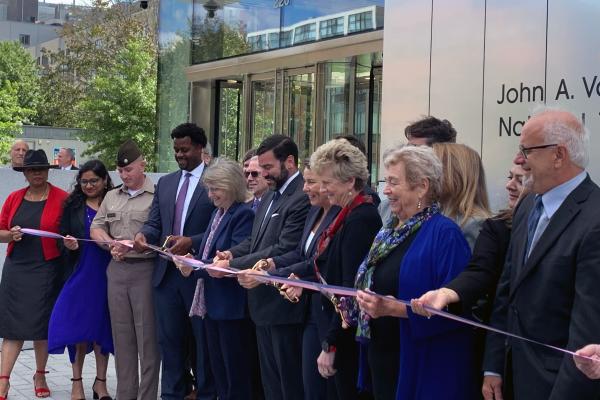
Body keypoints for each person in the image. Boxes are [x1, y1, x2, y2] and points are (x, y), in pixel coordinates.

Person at [481, 109, 600, 400]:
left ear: (559, 155)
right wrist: (494, 366)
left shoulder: (595, 219)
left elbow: (587, 328)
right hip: (513, 376)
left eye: (526, 151)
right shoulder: (527, 205)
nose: (518, 160)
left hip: (559, 385)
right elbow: (507, 292)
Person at [355, 145, 474, 400]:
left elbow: (458, 310)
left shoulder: (445, 234)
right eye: (386, 182)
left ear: (422, 186)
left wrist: (394, 309)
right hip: (383, 356)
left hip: (423, 364)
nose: (386, 190)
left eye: (394, 183)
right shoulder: (388, 232)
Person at [411, 163, 526, 398]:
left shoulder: (459, 227)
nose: (509, 185)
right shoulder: (498, 228)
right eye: (509, 176)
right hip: (500, 353)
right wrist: (446, 294)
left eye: (520, 180)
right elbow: (483, 278)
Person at [212, 135, 310, 400]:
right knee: (271, 384)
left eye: (267, 168)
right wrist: (231, 253)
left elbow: (284, 248)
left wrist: (231, 265)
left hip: (283, 306)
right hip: (261, 306)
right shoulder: (269, 196)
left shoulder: (300, 196)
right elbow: (255, 242)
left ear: (289, 162)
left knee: (288, 384)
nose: (263, 174)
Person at [132, 123, 215, 400]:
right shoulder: (166, 183)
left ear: (200, 149)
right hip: (166, 278)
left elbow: (223, 227)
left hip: (199, 278)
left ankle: (204, 393)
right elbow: (155, 222)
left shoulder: (215, 181)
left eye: (185, 149)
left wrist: (192, 241)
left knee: (202, 345)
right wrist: (143, 235)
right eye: (176, 149)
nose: (179, 154)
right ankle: (171, 394)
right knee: (170, 344)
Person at [304, 139, 382, 399]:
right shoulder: (347, 213)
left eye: (328, 183)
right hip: (337, 328)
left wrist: (332, 343)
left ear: (350, 181)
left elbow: (351, 289)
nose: (324, 190)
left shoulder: (362, 218)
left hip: (346, 338)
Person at [175, 158, 254, 400]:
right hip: (212, 304)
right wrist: (193, 258)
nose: (211, 195)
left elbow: (228, 261)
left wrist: (195, 267)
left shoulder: (243, 215)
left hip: (230, 307)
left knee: (234, 374)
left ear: (230, 185)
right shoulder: (219, 213)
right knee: (218, 370)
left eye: (215, 188)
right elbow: (209, 253)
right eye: (209, 189)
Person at [90, 140, 160, 400]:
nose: (124, 174)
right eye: (120, 171)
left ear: (142, 165)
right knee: (122, 337)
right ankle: (126, 394)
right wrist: (110, 244)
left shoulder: (157, 195)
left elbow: (161, 230)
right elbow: (96, 227)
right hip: (117, 270)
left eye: (129, 169)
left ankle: (147, 395)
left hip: (145, 269)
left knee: (147, 339)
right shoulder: (111, 196)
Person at [269, 158, 340, 400]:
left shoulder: (341, 216)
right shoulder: (314, 212)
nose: (305, 188)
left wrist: (272, 274)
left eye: (311, 182)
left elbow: (321, 262)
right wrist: (272, 264)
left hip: (328, 316)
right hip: (306, 314)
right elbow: (301, 254)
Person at [0, 149, 67, 399]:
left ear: (48, 171)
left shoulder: (62, 198)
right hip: (17, 268)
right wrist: (10, 235)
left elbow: (69, 230)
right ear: (24, 173)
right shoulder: (14, 198)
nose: (36, 173)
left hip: (48, 268)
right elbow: (0, 231)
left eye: (40, 168)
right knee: (12, 326)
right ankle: (3, 381)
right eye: (31, 169)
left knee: (42, 325)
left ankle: (40, 373)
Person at [48, 160, 115, 400]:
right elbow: (60, 238)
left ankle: (101, 383)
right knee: (77, 328)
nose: (88, 185)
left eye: (93, 181)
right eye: (84, 181)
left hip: (108, 273)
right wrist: (70, 245)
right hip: (80, 271)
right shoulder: (72, 205)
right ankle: (77, 383)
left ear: (105, 179)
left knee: (102, 329)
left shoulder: (116, 200)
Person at [378, 117, 457, 224]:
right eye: (407, 149)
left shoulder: (451, 217)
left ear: (438, 156)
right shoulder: (386, 208)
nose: (406, 154)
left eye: (415, 150)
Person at [433, 143, 491, 249]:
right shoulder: (442, 215)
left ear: (456, 174)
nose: (429, 175)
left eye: (435, 169)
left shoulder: (475, 224)